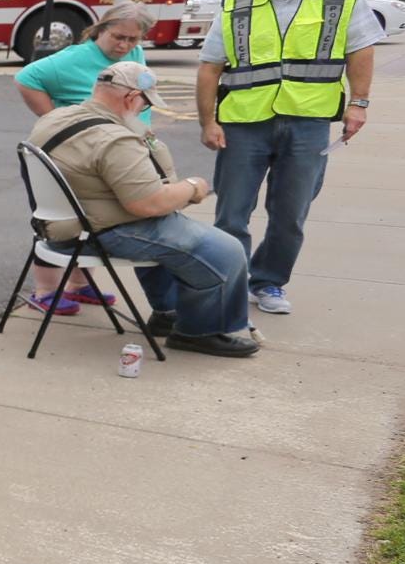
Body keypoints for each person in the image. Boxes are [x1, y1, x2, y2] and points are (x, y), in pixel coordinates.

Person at [197, 0, 380, 316]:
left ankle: (268, 282)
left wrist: (359, 104)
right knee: (231, 212)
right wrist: (207, 121)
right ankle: (226, 282)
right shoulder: (238, 4)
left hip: (308, 122)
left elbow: (360, 51)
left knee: (291, 213)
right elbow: (210, 66)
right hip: (244, 122)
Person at [29, 64, 258, 358]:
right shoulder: (114, 139)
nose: (143, 110)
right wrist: (193, 187)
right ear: (130, 98)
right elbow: (148, 203)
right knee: (226, 251)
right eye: (145, 103)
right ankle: (200, 331)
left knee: (173, 234)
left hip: (63, 225)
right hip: (106, 230)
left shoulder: (57, 118)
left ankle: (168, 312)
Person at [12, 0, 156, 316]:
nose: (125, 45)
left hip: (110, 155)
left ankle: (79, 284)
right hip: (72, 157)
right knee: (59, 219)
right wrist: (53, 119)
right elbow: (26, 78)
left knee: (97, 219)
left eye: (133, 39)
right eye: (118, 37)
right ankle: (45, 290)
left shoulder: (132, 55)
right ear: (100, 29)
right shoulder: (74, 58)